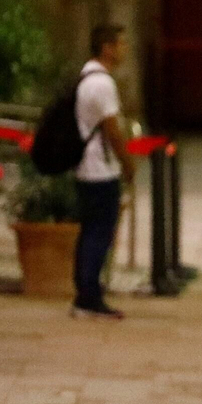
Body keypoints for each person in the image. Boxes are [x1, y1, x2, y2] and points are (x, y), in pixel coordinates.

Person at [71, 24, 136, 320]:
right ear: (107, 48)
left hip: (85, 166)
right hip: (100, 169)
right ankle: (89, 297)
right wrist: (127, 162)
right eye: (120, 44)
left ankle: (85, 292)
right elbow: (113, 130)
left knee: (89, 231)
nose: (124, 50)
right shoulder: (102, 84)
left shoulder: (85, 77)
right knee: (100, 233)